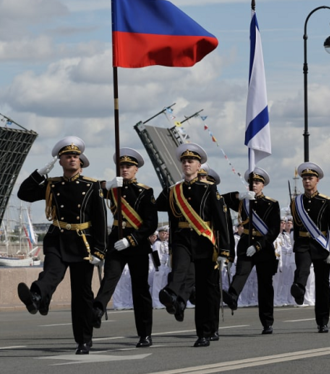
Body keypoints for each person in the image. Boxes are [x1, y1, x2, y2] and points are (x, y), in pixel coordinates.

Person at [16, 136, 107, 355]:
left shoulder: (92, 186)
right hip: (57, 237)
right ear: (60, 161)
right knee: (52, 272)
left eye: (75, 156)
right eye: (67, 156)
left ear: (81, 162)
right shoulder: (52, 185)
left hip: (83, 242)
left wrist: (99, 250)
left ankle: (84, 340)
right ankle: (36, 297)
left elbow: (101, 219)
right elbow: (23, 193)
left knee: (82, 295)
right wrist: (39, 173)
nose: (72, 159)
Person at [156, 144, 229, 347]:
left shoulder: (208, 190)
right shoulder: (173, 191)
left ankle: (204, 333)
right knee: (179, 268)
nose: (187, 163)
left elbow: (221, 221)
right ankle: (170, 294)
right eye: (184, 161)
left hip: (205, 243)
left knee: (205, 291)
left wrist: (224, 250)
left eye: (191, 161)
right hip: (181, 239)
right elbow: (154, 205)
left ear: (199, 166)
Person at [92, 147, 157, 348]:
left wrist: (133, 239)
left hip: (136, 244)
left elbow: (150, 223)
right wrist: (109, 184)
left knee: (140, 290)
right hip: (116, 240)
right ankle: (96, 310)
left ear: (136, 169)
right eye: (122, 166)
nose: (125, 169)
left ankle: (145, 334)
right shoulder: (112, 189)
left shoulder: (145, 192)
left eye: (129, 166)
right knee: (109, 279)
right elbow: (92, 192)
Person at [221, 168, 280, 334]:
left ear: (263, 185)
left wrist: (258, 246)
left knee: (265, 286)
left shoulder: (271, 204)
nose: (254, 185)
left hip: (263, 247)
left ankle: (267, 322)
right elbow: (220, 199)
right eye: (252, 182)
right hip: (246, 242)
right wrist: (239, 195)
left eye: (257, 182)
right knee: (241, 272)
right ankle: (232, 297)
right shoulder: (243, 201)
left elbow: (274, 230)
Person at [290, 162, 330, 333]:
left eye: (310, 178)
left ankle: (322, 321)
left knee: (322, 284)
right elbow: (296, 227)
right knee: (302, 269)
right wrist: (295, 243)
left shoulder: (326, 201)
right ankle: (299, 289)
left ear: (317, 180)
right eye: (304, 178)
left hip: (321, 245)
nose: (306, 181)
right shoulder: (296, 202)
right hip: (303, 243)